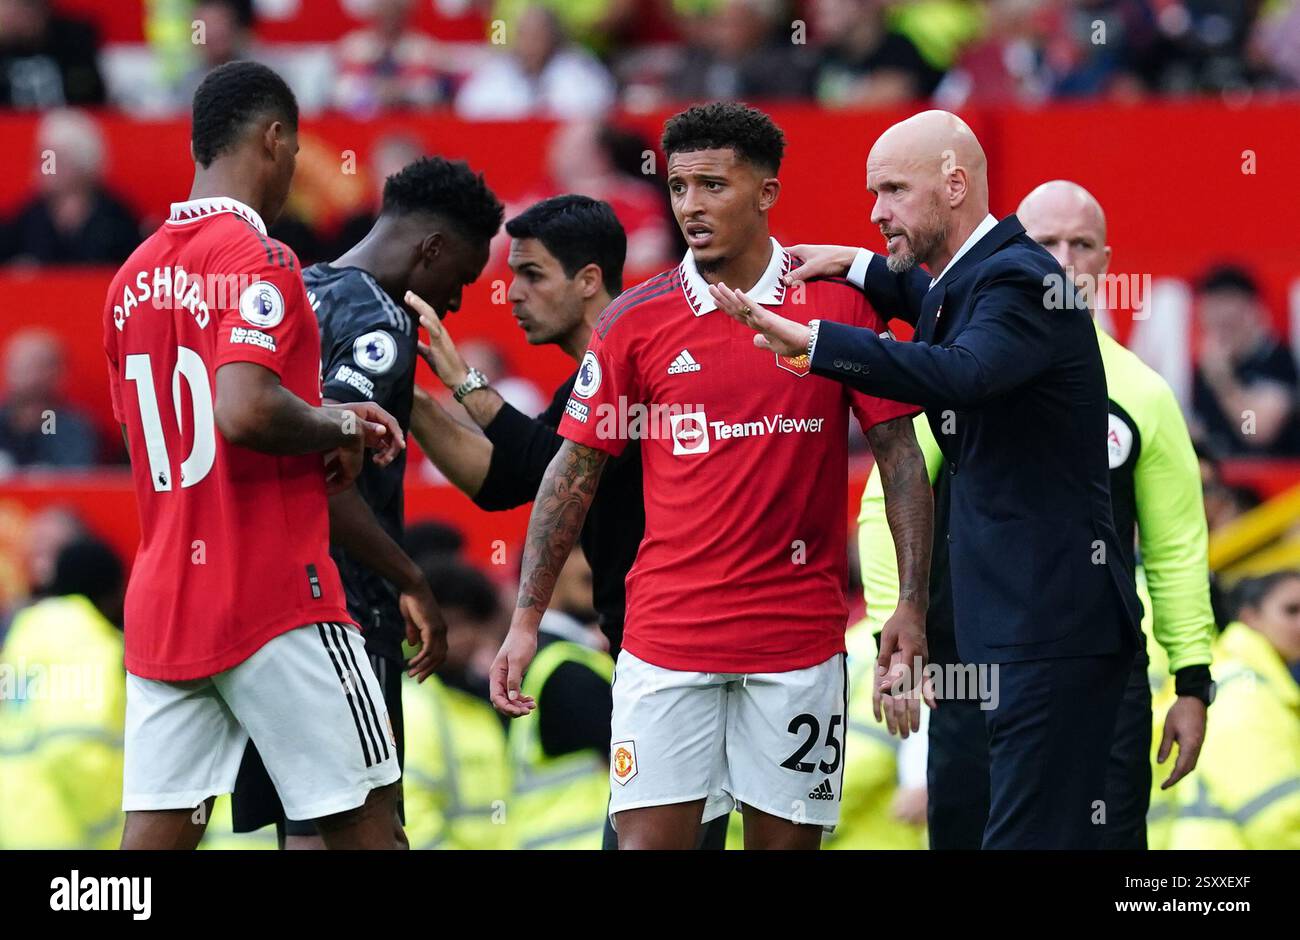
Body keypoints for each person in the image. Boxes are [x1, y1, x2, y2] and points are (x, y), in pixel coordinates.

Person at [490, 102, 933, 850]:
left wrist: (911, 604)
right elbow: (574, 470)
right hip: (666, 643)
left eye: (713, 186)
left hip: (798, 646)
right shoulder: (634, 321)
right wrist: (526, 620)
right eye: (678, 187)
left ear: (766, 193)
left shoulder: (838, 303)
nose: (691, 206)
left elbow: (900, 454)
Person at [722, 110, 1147, 849]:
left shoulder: (1017, 277)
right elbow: (939, 311)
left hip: (1048, 634)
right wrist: (860, 268)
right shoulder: (983, 278)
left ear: (955, 185)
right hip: (1009, 631)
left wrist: (817, 342)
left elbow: (965, 368)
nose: (876, 210)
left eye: (891, 190)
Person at [102, 60, 412, 850]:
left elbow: (179, 428)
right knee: (372, 825)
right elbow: (241, 411)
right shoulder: (258, 259)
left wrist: (317, 417)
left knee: (151, 843)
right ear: (276, 141)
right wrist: (343, 429)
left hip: (166, 599)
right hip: (273, 593)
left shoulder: (131, 277)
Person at [855, 178, 1216, 851]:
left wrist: (1192, 678)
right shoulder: (957, 370)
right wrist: (895, 629)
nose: (1062, 260)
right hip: (969, 667)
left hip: (1099, 670)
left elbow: (1175, 548)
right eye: (1046, 242)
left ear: (1106, 262)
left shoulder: (1143, 393)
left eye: (1081, 244)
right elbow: (887, 502)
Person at [230, 154, 500, 848]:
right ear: (432, 249)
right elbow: (331, 475)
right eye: (461, 280)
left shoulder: (297, 288)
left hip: (265, 601)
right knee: (368, 824)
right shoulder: (382, 323)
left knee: (308, 824)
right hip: (345, 606)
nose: (459, 302)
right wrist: (409, 579)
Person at [1149, 571, 1300, 849]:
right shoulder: (1244, 689)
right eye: (1291, 610)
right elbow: (1273, 817)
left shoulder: (1243, 677)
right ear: (1249, 617)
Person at [0, 538, 126, 848]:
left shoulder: (24, 635)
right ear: (110, 592)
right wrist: (112, 826)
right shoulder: (90, 644)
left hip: (16, 823)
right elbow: (73, 745)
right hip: (65, 831)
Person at [401, 559, 514, 849]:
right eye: (456, 625)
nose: (471, 637)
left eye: (476, 624)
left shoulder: (475, 702)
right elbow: (413, 816)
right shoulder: (414, 704)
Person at [1, 109, 141, 266]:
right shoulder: (28, 217)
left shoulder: (116, 219)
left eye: (55, 158)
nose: (46, 167)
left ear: (82, 161)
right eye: (43, 157)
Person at [1190, 264, 1300, 457]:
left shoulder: (1277, 360)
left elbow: (1256, 430)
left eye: (1228, 317)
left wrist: (1223, 382)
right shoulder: (1202, 369)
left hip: (1276, 481)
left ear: (1253, 311)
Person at [454, 5, 615, 120]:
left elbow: (593, 112)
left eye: (538, 34)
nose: (531, 43)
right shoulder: (496, 73)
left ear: (553, 37)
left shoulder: (580, 72)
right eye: (524, 35)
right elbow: (470, 108)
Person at [0, 328, 98, 470]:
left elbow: (76, 479)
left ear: (59, 372)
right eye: (16, 365)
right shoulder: (4, 421)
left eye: (34, 365)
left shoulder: (70, 429)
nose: (22, 374)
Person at [0, 0, 105, 108]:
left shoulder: (73, 39)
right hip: (10, 122)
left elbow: (90, 96)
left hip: (68, 119)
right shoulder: (4, 50)